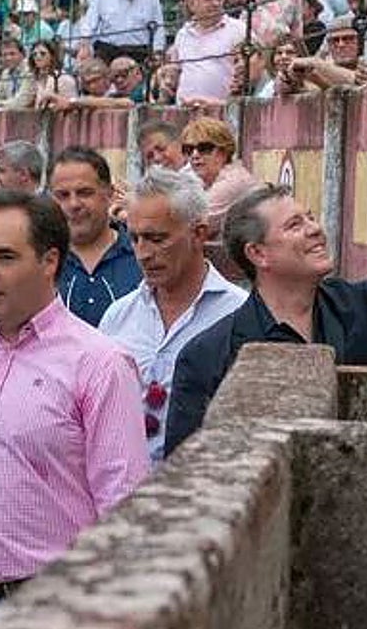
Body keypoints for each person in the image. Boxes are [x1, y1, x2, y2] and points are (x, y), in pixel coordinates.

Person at [167, 100, 367, 454]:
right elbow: (187, 469)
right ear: (257, 253)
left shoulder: (355, 308)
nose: (315, 230)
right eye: (295, 225)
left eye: (309, 217)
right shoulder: (208, 355)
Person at [0, 191, 148, 629]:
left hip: (54, 606)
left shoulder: (99, 363)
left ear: (50, 261)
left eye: (5, 257)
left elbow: (124, 503)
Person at [97, 167, 248, 461]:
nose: (143, 253)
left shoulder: (239, 315)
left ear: (199, 234)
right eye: (135, 239)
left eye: (157, 239)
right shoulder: (118, 317)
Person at [50, 147, 141, 328]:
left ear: (109, 194)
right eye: (63, 195)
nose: (74, 204)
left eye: (84, 192)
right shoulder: (38, 262)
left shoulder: (141, 256)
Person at [171, 0, 243, 105]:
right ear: (192, 4)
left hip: (221, 110)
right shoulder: (183, 34)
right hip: (186, 109)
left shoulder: (238, 29)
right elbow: (175, 71)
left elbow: (255, 65)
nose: (215, 3)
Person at [78, 0, 165, 65]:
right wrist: (85, 45)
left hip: (138, 52)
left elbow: (158, 28)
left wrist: (157, 52)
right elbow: (89, 24)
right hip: (108, 50)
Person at [179, 116, 257, 234]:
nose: (195, 155)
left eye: (204, 148)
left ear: (223, 152)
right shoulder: (191, 174)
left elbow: (195, 227)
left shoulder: (233, 180)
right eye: (189, 149)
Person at [21, 39, 78, 108]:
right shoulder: (35, 79)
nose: (38, 57)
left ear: (52, 56)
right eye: (35, 54)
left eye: (42, 53)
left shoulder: (64, 78)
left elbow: (72, 105)